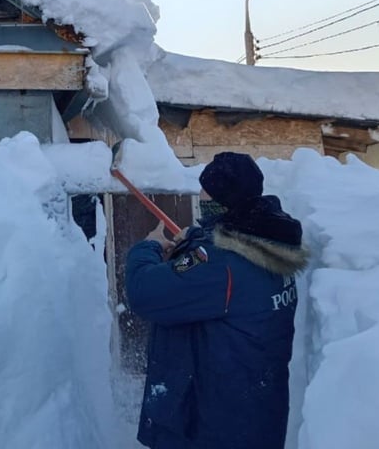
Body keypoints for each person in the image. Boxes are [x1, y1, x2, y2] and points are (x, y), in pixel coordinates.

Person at [125, 151, 309, 449]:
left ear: (223, 202)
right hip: (254, 416)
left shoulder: (218, 263)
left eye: (206, 192)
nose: (200, 197)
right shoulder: (269, 241)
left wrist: (149, 247)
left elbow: (143, 290)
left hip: (213, 427)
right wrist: (196, 241)